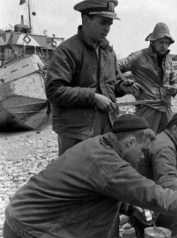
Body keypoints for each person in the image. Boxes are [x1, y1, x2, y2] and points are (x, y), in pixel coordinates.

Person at [3, 115, 177, 238]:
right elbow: (161, 197)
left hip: (24, 221)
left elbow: (95, 195)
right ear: (129, 144)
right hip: (32, 235)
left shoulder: (98, 144)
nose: (142, 157)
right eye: (143, 151)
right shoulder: (109, 163)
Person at [45, 0, 137, 156]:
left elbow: (112, 84)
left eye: (110, 24)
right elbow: (54, 91)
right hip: (77, 133)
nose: (107, 28)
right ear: (86, 19)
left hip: (107, 127)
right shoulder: (67, 51)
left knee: (103, 174)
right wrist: (93, 97)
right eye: (103, 22)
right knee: (75, 177)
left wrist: (124, 87)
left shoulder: (108, 52)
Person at [119, 23, 177, 133]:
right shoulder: (138, 56)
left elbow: (174, 80)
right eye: (161, 42)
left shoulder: (168, 59)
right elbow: (115, 68)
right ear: (153, 41)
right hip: (147, 108)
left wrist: (174, 87)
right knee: (143, 142)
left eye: (167, 43)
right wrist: (125, 83)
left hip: (166, 108)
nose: (164, 46)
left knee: (167, 140)